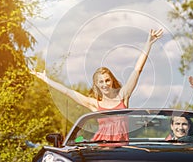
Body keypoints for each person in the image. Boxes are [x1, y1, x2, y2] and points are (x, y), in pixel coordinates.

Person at [32, 29, 163, 141]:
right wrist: (47, 80)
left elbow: (137, 70)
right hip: (100, 148)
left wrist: (148, 44)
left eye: (107, 80)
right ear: (97, 85)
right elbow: (68, 92)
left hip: (122, 149)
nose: (105, 84)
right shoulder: (95, 104)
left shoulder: (123, 95)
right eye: (101, 82)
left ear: (112, 81)